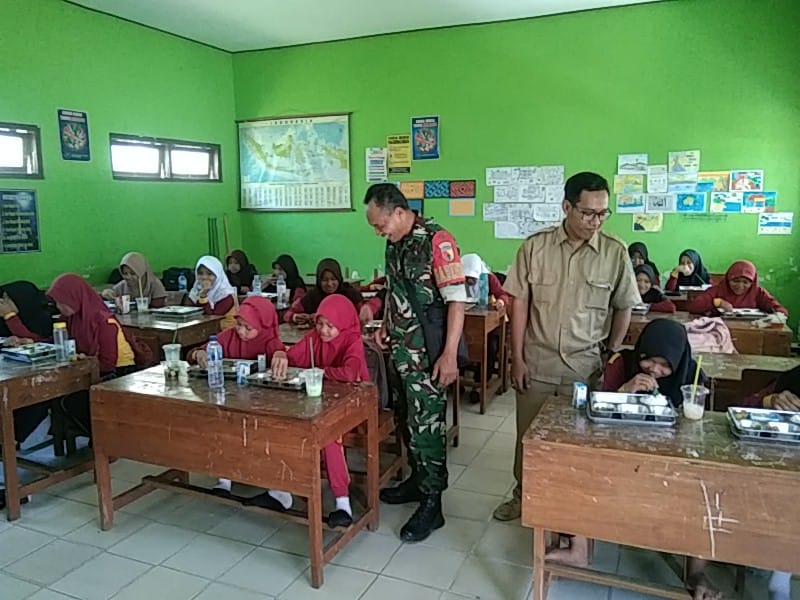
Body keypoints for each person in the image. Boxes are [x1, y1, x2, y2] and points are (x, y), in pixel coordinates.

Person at [493, 172, 640, 563]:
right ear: (567, 207)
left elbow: (624, 305)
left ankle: (570, 512)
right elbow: (518, 305)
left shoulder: (614, 252)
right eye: (588, 213)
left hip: (584, 369)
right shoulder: (535, 247)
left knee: (575, 446)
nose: (596, 221)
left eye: (603, 214)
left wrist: (610, 353)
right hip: (538, 363)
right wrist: (517, 358)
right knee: (528, 439)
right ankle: (523, 496)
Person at [365, 183, 467, 542]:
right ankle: (416, 481)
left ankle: (432, 503)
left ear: (398, 212)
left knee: (428, 425)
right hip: (401, 352)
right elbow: (395, 290)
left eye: (380, 225)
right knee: (407, 419)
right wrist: (385, 325)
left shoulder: (437, 241)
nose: (378, 232)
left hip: (429, 354)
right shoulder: (394, 242)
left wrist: (449, 355)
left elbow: (456, 301)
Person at [249, 295, 368, 527]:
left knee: (329, 435)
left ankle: (342, 503)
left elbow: (350, 373)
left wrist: (318, 372)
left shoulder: (352, 340)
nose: (323, 330)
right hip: (320, 404)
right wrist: (281, 354)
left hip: (355, 407)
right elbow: (292, 357)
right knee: (284, 425)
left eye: (330, 325)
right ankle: (280, 490)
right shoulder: (314, 338)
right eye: (320, 323)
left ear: (343, 324)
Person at [188, 297, 285, 497]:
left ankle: (275, 486)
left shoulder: (270, 341)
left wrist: (281, 356)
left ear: (263, 326)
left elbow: (282, 359)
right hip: (231, 400)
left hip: (262, 404)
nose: (241, 331)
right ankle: (224, 479)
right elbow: (194, 353)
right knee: (222, 428)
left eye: (248, 328)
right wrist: (198, 355)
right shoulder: (228, 337)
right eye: (239, 324)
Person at [47, 274, 138, 437]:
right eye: (57, 303)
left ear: (76, 297)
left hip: (121, 374)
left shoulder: (104, 321)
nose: (59, 307)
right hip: (93, 371)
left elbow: (108, 363)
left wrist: (85, 363)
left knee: (72, 400)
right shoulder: (71, 319)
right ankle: (100, 438)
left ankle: (105, 439)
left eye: (63, 302)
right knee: (59, 397)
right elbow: (55, 344)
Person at [0, 281, 56, 510]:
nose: (3, 304)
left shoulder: (41, 317)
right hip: (13, 375)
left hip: (39, 381)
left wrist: (12, 319)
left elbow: (46, 343)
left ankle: (10, 443)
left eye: (7, 300)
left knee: (31, 400)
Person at [461, 253, 510, 403]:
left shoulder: (488, 278)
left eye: (472, 278)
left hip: (490, 323)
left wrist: (500, 302)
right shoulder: (457, 280)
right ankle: (459, 381)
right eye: (467, 277)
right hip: (466, 322)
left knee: (489, 346)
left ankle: (480, 383)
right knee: (460, 343)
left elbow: (503, 295)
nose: (470, 281)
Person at [687, 260, 788, 317]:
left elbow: (781, 310)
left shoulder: (758, 292)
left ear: (752, 282)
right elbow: (693, 306)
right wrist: (717, 302)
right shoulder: (718, 290)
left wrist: (775, 317)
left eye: (745, 282)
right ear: (728, 279)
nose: (740, 286)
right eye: (735, 281)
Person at [283, 258, 362, 325]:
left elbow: (362, 316)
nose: (329, 284)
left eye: (333, 279)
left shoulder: (350, 294)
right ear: (319, 280)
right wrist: (294, 317)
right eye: (325, 280)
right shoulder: (312, 296)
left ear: (339, 278)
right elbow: (287, 314)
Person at [101, 252, 167, 308]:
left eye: (133, 273)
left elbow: (158, 307)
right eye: (125, 273)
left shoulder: (154, 285)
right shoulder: (123, 285)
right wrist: (106, 294)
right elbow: (110, 294)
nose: (128, 277)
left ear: (141, 272)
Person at [187, 256, 238, 329]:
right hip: (201, 331)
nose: (204, 277)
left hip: (223, 332)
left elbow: (210, 320)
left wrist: (203, 296)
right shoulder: (195, 290)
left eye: (209, 274)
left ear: (218, 275)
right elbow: (189, 312)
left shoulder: (225, 294)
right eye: (200, 273)